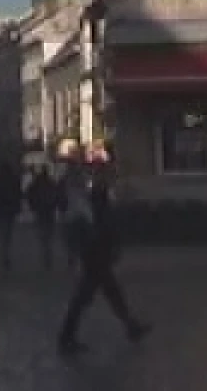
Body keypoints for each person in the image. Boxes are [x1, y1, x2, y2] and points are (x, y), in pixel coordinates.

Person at [56, 149, 148, 356]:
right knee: (85, 297)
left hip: (96, 251)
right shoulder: (89, 194)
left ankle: (131, 327)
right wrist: (107, 245)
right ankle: (66, 337)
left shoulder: (92, 193)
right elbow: (95, 224)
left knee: (108, 292)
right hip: (94, 252)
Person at [25, 164, 61, 269]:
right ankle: (47, 256)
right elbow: (57, 195)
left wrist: (33, 205)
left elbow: (29, 194)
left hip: (40, 211)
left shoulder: (36, 184)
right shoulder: (51, 183)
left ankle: (45, 255)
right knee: (49, 235)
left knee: (42, 235)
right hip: (49, 211)